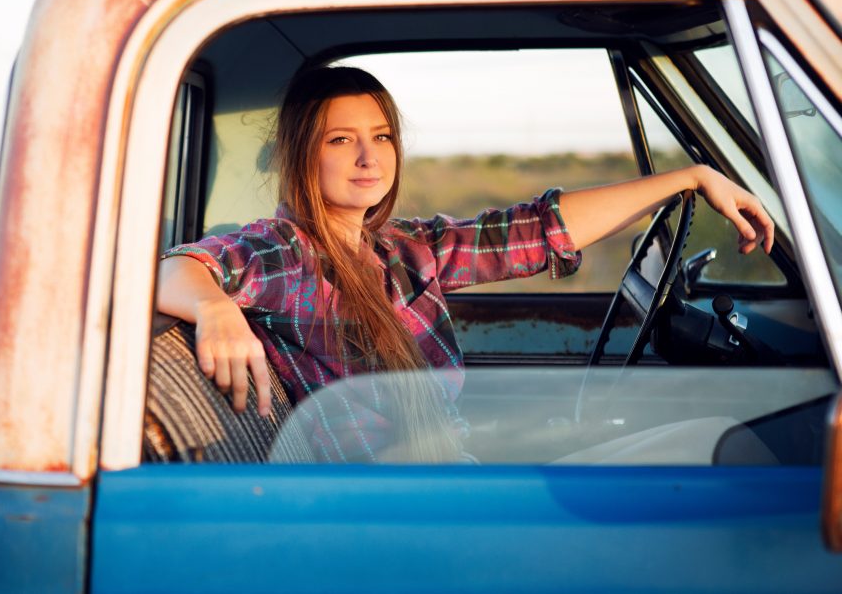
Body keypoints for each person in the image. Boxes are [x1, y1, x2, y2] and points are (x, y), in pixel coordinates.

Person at [156, 66, 774, 461]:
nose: (369, 157)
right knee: (719, 451)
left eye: (383, 136)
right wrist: (214, 307)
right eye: (340, 139)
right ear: (300, 154)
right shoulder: (285, 251)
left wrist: (688, 179)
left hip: (450, 479)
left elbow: (536, 230)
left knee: (714, 441)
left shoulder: (401, 249)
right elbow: (170, 269)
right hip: (389, 513)